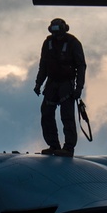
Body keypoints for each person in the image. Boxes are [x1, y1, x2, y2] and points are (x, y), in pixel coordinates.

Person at [34, 18, 86, 156]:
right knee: (46, 113)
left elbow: (81, 66)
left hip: (66, 84)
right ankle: (53, 145)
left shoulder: (73, 43)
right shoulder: (48, 43)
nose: (56, 34)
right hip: (51, 83)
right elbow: (43, 65)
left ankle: (68, 147)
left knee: (67, 116)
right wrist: (38, 83)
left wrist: (79, 88)